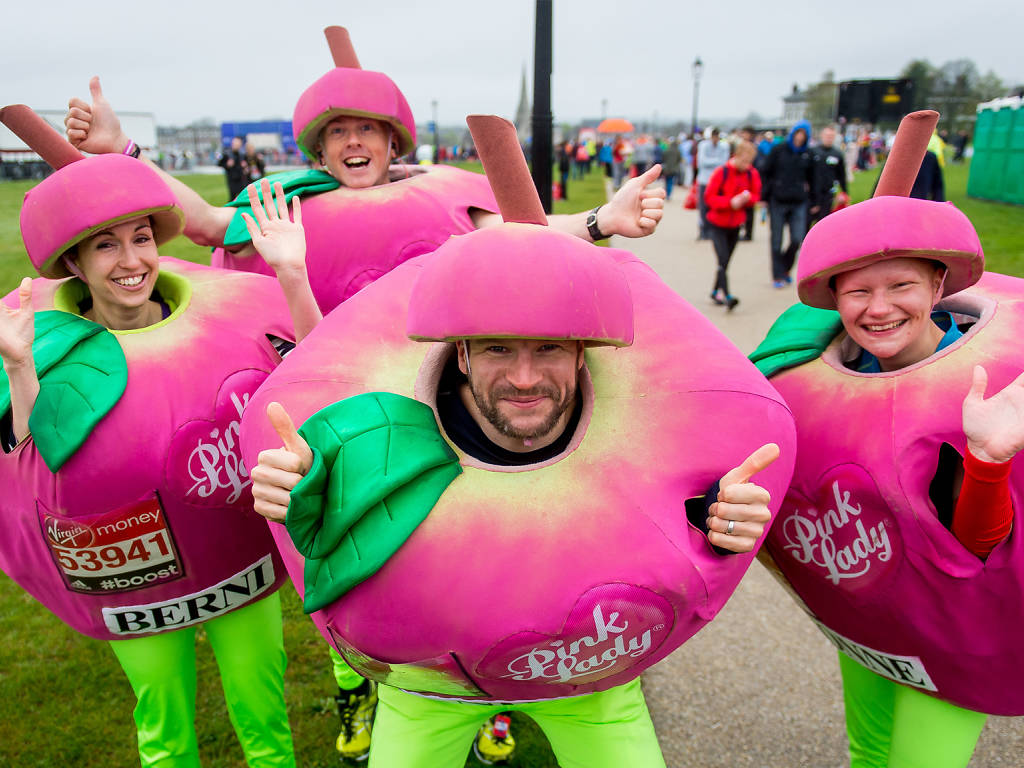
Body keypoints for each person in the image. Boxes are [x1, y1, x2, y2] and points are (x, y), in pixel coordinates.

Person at [241, 115, 794, 768]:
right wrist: (298, 493)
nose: (526, 377)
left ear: (586, 355)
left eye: (549, 350)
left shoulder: (626, 417)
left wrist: (717, 516)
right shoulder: (386, 438)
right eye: (499, 349)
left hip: (588, 681)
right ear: (461, 355)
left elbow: (658, 502)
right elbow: (329, 524)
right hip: (430, 689)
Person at [0, 136, 303, 767]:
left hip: (232, 552)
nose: (131, 260)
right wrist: (22, 367)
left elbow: (314, 377)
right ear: (76, 265)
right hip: (130, 570)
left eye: (141, 237)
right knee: (163, 729)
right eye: (106, 244)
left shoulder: (225, 322)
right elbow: (27, 454)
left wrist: (292, 276)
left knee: (265, 718)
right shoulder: (43, 344)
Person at [751, 125, 1022, 767]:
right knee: (868, 749)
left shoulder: (993, 390)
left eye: (900, 286)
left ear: (937, 287)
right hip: (872, 612)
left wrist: (987, 460)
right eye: (857, 291)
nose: (879, 309)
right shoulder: (817, 372)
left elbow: (981, 552)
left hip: (954, 626)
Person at [703, 140, 761, 311]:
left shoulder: (751, 174)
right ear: (736, 156)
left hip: (736, 224)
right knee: (722, 259)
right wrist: (730, 202)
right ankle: (727, 296)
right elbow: (709, 197)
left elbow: (757, 195)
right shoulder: (722, 172)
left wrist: (747, 199)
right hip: (717, 223)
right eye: (744, 161)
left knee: (726, 261)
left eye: (749, 162)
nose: (746, 165)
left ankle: (714, 291)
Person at [761, 120, 815, 287]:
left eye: (803, 135)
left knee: (797, 239)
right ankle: (777, 275)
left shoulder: (808, 154)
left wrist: (813, 200)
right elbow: (765, 172)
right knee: (776, 241)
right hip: (778, 199)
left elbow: (813, 178)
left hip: (799, 201)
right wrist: (764, 196)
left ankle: (785, 267)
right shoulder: (778, 150)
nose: (800, 137)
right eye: (798, 133)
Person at [695, 127, 729, 240]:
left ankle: (713, 230)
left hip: (717, 181)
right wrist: (716, 161)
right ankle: (704, 230)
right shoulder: (704, 145)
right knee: (703, 207)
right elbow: (702, 162)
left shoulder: (724, 146)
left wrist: (711, 161)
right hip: (704, 180)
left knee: (714, 206)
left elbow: (724, 163)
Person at [810, 125, 848, 227]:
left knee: (823, 222)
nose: (829, 138)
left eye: (831, 136)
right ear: (822, 136)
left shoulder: (837, 154)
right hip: (812, 193)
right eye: (827, 136)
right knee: (807, 222)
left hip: (828, 193)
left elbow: (841, 175)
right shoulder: (812, 151)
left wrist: (845, 192)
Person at [218, 135, 250, 199]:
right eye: (235, 143)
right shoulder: (227, 154)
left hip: (241, 179)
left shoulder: (242, 155)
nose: (237, 145)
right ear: (232, 144)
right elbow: (219, 164)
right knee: (232, 197)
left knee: (242, 197)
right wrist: (227, 165)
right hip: (232, 179)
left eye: (238, 144)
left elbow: (247, 166)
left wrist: (245, 167)